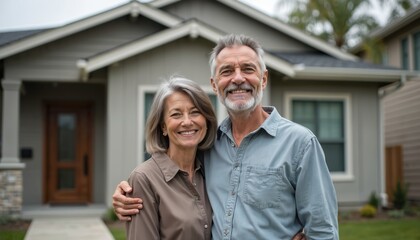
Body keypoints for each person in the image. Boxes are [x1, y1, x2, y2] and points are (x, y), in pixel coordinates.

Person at [113, 34, 338, 240]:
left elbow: (323, 230)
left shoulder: (300, 144)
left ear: (264, 79)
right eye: (227, 71)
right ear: (215, 84)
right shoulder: (209, 146)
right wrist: (126, 195)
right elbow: (167, 177)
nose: (238, 78)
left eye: (248, 69)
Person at [124, 76, 218, 239]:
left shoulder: (212, 169)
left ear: (206, 120)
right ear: (163, 127)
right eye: (176, 114)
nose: (187, 122)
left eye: (195, 112)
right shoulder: (144, 180)